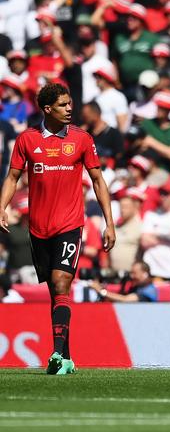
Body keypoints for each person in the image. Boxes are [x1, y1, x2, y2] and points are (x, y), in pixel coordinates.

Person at [0, 83, 116, 375]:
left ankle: (54, 353)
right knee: (55, 291)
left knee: (62, 282)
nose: (70, 109)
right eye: (64, 105)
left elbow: (99, 181)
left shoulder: (81, 139)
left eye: (70, 104)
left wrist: (108, 222)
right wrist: (1, 207)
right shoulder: (27, 140)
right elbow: (13, 177)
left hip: (70, 224)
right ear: (47, 109)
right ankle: (66, 356)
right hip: (39, 227)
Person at [90, 260, 158, 302]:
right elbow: (118, 289)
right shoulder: (137, 287)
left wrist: (101, 291)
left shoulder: (149, 290)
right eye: (131, 273)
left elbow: (125, 299)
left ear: (145, 274)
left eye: (134, 273)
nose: (131, 276)